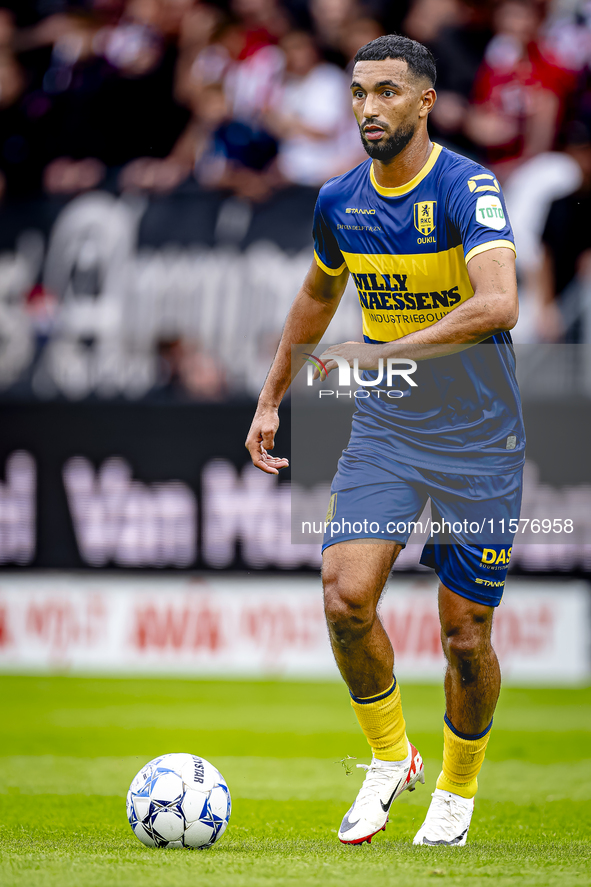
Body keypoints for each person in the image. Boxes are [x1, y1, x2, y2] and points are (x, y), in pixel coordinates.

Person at [245, 33, 524, 847]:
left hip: (480, 435)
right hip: (388, 423)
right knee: (343, 595)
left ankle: (457, 788)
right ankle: (389, 755)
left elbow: (498, 303)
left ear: (425, 101)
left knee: (465, 631)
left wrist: (383, 352)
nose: (369, 107)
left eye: (388, 92)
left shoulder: (467, 186)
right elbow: (314, 296)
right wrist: (272, 398)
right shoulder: (339, 200)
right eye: (359, 92)